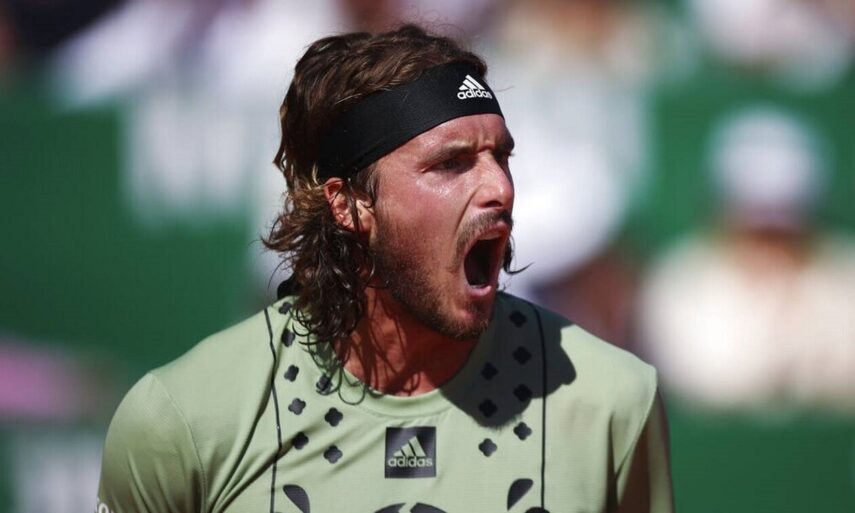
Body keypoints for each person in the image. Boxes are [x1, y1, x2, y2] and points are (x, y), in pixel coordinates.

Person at [96, 25, 673, 513]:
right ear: (349, 204)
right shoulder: (178, 422)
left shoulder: (614, 402)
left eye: (501, 156)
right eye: (451, 163)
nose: (500, 188)